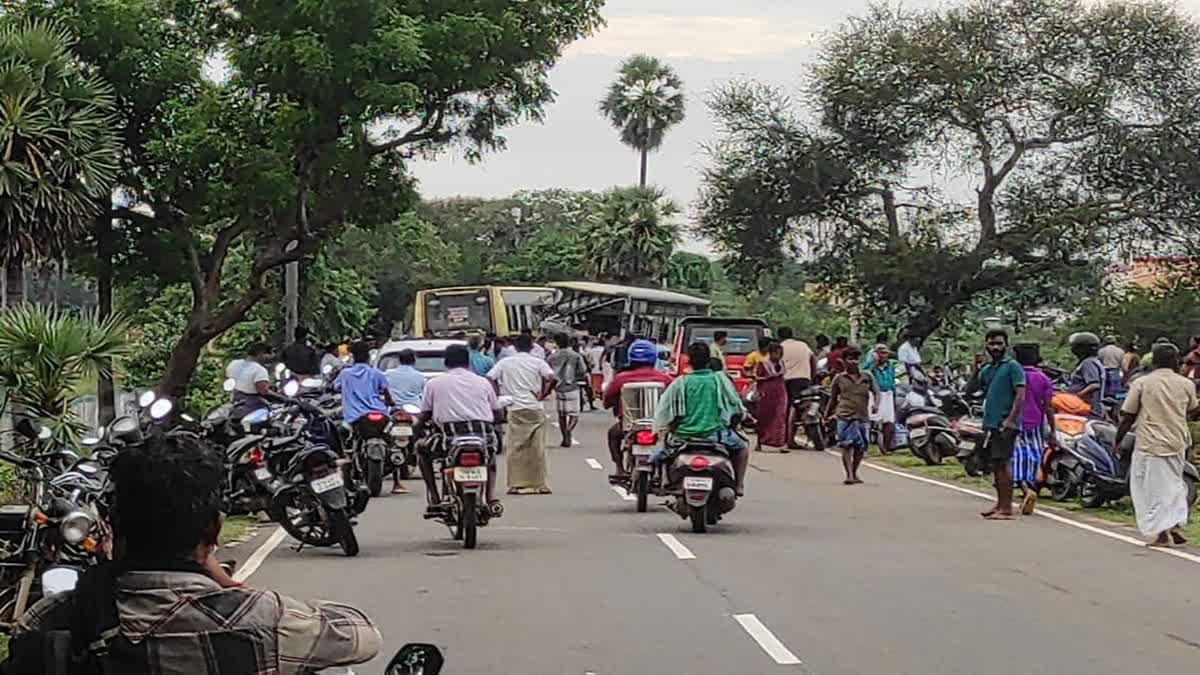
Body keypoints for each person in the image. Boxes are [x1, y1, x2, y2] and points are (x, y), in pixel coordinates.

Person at [1, 433, 380, 675]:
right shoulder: (263, 619)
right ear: (214, 529)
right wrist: (222, 579)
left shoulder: (55, 617)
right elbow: (363, 636)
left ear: (112, 528)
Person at [1114, 342, 1199, 546]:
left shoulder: (1143, 383)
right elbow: (1193, 410)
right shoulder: (1186, 384)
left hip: (1150, 443)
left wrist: (1118, 440)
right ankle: (1175, 523)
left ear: (1153, 361)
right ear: (1176, 361)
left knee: (1150, 488)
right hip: (1178, 441)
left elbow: (1128, 415)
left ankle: (1161, 532)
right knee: (1174, 484)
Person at [413, 344, 503, 515]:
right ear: (467, 361)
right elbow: (497, 414)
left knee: (421, 450)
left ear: (445, 362)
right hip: (482, 438)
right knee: (490, 459)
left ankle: (435, 497)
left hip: (448, 440)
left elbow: (424, 414)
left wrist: (416, 429)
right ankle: (491, 498)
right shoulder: (483, 382)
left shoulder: (434, 384)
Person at [654, 342, 749, 495]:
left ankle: (665, 480)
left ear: (689, 361)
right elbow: (735, 406)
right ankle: (738, 485)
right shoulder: (720, 380)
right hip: (716, 435)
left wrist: (668, 427)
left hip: (683, 436)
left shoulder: (680, 383)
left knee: (661, 452)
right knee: (742, 448)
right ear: (708, 360)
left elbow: (666, 412)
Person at [488, 334, 557, 494]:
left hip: (515, 407)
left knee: (516, 447)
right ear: (532, 347)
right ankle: (539, 484)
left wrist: (498, 394)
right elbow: (552, 378)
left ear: (515, 347)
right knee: (537, 447)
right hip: (534, 407)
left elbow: (490, 377)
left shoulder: (505, 362)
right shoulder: (538, 362)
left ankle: (516, 483)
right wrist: (544, 394)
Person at [602, 339, 674, 482]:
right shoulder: (665, 379)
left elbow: (607, 401)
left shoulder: (621, 379)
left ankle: (619, 468)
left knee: (613, 435)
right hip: (659, 426)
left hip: (629, 426)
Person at [978, 329, 1026, 520]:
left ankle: (1006, 508)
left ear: (1006, 345)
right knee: (996, 464)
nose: (995, 347)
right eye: (991, 344)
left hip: (1006, 423)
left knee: (1003, 463)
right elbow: (974, 388)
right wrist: (976, 368)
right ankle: (999, 504)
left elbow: (1020, 394)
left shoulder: (1013, 366)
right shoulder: (989, 369)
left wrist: (1011, 419)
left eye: (999, 343)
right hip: (991, 423)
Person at [825, 346, 878, 484]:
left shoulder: (867, 376)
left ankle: (854, 471)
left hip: (862, 415)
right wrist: (827, 414)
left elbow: (876, 392)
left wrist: (876, 404)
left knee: (861, 446)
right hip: (844, 415)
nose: (853, 362)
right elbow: (832, 398)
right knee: (847, 445)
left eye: (855, 359)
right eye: (850, 359)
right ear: (844, 361)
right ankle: (848, 474)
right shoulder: (839, 378)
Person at [1013, 343, 1054, 515]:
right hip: (1037, 422)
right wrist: (1053, 428)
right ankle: (1031, 485)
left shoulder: (1013, 375)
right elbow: (1048, 407)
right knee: (1034, 454)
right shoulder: (1044, 379)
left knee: (1016, 456)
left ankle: (1025, 489)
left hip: (1014, 421)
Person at [382, 349, 425, 494]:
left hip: (392, 411)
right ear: (413, 360)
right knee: (423, 432)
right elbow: (422, 395)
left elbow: (383, 392)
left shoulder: (387, 374)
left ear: (399, 360)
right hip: (413, 412)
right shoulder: (419, 376)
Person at [334, 341, 394, 426]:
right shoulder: (376, 373)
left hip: (354, 417)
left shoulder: (345, 374)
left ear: (353, 358)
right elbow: (387, 393)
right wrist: (391, 402)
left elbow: (335, 387)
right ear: (368, 357)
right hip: (379, 413)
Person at [777, 326, 816, 449]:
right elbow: (813, 360)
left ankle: (787, 437)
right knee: (803, 406)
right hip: (803, 380)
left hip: (785, 381)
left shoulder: (780, 348)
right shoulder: (803, 345)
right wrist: (812, 376)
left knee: (787, 408)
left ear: (779, 336)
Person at [548, 334, 589, 447]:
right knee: (574, 414)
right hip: (573, 387)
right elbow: (582, 370)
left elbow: (548, 373)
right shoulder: (575, 356)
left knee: (562, 415)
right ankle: (569, 430)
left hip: (558, 388)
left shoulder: (552, 357)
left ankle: (565, 437)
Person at [753, 342, 789, 453]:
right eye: (777, 353)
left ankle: (779, 443)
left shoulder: (781, 363)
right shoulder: (763, 363)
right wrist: (767, 378)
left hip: (780, 391)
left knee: (780, 416)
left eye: (781, 353)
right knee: (765, 417)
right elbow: (757, 378)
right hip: (767, 392)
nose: (779, 356)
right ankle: (761, 441)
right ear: (771, 353)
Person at [226, 342, 277, 418]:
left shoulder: (233, 363)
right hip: (252, 405)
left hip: (234, 399)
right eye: (268, 355)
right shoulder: (259, 370)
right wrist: (283, 398)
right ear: (261, 354)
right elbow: (263, 391)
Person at [866, 343, 898, 454]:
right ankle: (866, 444)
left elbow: (892, 380)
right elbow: (864, 373)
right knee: (870, 419)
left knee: (889, 421)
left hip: (888, 394)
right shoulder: (870, 365)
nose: (884, 355)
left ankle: (886, 447)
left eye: (885, 353)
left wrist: (894, 392)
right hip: (874, 394)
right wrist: (873, 363)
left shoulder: (890, 366)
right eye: (881, 353)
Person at [1066, 332, 1106, 418]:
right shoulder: (1094, 361)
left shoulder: (1088, 363)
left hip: (1086, 407)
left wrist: (1076, 396)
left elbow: (1094, 385)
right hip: (1088, 406)